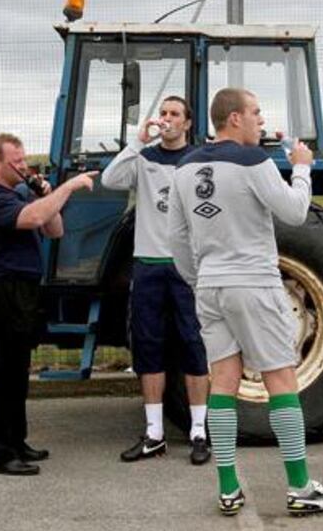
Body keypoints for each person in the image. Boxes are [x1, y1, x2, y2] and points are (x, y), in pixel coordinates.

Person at [168, 88, 323, 516]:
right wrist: (301, 169)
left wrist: (199, 278)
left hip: (210, 287)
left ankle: (228, 488)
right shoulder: (254, 161)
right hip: (255, 284)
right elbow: (295, 211)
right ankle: (300, 488)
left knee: (222, 382)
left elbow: (176, 238)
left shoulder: (184, 168)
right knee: (281, 381)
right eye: (255, 113)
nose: (260, 121)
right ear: (234, 120)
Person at [0, 133, 98, 476]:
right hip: (2, 291)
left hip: (25, 291)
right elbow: (30, 219)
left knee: (17, 373)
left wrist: (47, 193)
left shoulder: (18, 195)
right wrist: (67, 188)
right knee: (1, 374)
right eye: (16, 160)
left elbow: (54, 229)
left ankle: (17, 442)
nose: (23, 165)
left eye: (24, 158)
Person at [100, 96, 211, 465]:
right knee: (148, 347)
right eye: (163, 113)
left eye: (174, 114)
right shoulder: (144, 159)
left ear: (188, 123)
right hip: (147, 265)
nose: (166, 120)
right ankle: (154, 433)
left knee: (193, 344)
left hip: (184, 268)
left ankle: (199, 431)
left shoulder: (199, 161)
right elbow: (110, 178)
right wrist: (137, 141)